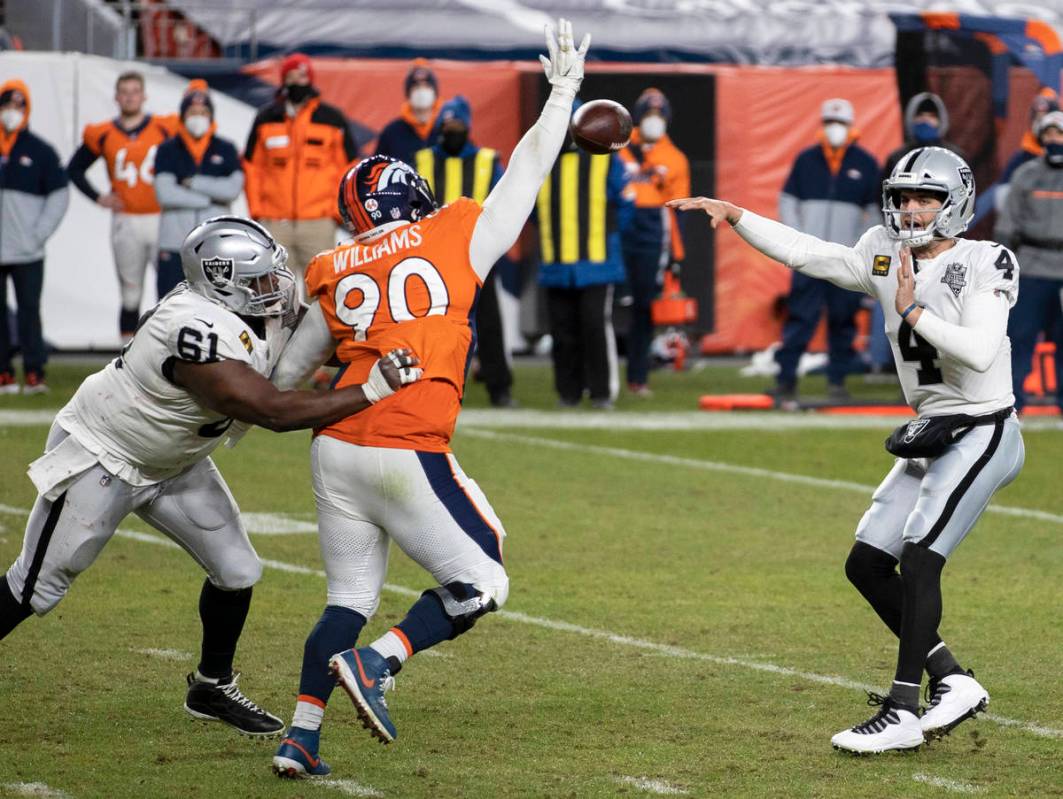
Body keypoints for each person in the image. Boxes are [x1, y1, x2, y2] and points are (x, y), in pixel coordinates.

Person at [269, 18, 590, 778]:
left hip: (335, 447)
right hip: (405, 443)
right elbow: (527, 172)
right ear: (416, 197)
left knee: (346, 593)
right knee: (485, 579)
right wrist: (563, 92)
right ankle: (379, 662)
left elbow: (286, 377)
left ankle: (299, 737)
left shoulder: (335, 264)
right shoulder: (452, 231)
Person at [0, 215, 422, 738]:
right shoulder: (191, 330)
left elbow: (321, 338)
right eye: (262, 280)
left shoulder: (244, 304)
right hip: (104, 455)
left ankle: (211, 685)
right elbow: (271, 410)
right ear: (222, 282)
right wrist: (372, 390)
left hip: (174, 461)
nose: (277, 287)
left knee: (238, 569)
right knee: (34, 589)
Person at [669, 145, 1023, 754]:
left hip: (983, 427)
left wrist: (911, 309)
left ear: (956, 202)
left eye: (926, 198)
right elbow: (812, 253)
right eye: (904, 197)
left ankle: (904, 709)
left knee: (919, 558)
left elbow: (980, 352)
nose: (911, 211)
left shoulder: (985, 259)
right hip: (932, 427)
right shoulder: (882, 253)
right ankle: (955, 681)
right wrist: (736, 216)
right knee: (866, 563)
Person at [772, 98, 880, 406]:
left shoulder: (865, 163)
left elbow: (874, 214)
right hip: (808, 257)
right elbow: (787, 201)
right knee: (799, 318)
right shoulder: (806, 160)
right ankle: (786, 379)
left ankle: (837, 382)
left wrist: (857, 246)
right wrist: (797, 238)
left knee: (843, 320)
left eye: (841, 123)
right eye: (830, 122)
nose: (835, 129)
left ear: (851, 126)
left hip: (845, 260)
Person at [414, 95, 515, 407]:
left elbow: (504, 203)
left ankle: (499, 388)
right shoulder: (422, 160)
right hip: (434, 259)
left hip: (477, 256)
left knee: (489, 325)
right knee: (433, 329)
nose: (452, 129)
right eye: (447, 124)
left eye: (457, 124)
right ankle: (432, 385)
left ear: (468, 126)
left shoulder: (487, 160)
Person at [67, 71, 181, 340]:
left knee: (172, 294)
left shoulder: (166, 127)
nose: (130, 97)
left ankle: (169, 354)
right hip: (126, 222)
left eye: (135, 91)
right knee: (131, 294)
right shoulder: (104, 133)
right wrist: (99, 197)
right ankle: (126, 357)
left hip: (162, 219)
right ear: (117, 97)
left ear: (144, 96)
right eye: (125, 92)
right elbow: (74, 169)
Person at [537, 103, 630, 410]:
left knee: (594, 327)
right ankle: (568, 393)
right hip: (556, 262)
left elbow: (627, 205)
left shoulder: (608, 160)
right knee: (562, 332)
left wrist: (606, 238)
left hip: (597, 263)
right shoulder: (542, 160)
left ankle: (602, 392)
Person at [243, 53, 359, 297]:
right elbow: (252, 168)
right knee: (272, 295)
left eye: (302, 75)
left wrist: (334, 214)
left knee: (321, 295)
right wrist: (258, 211)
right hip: (275, 223)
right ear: (284, 79)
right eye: (292, 75)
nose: (298, 81)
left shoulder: (332, 119)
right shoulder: (266, 118)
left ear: (311, 78)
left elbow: (348, 168)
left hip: (318, 224)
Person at [617, 87, 690, 398]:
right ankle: (596, 374)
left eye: (659, 115)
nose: (654, 121)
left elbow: (679, 210)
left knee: (644, 309)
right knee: (602, 305)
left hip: (651, 236)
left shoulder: (675, 158)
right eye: (649, 114)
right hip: (617, 230)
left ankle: (637, 376)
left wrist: (677, 253)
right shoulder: (618, 146)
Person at [0, 79, 69, 395]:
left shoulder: (40, 151)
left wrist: (37, 235)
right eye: (7, 106)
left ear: (26, 111)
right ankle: (3, 373)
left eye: (18, 106)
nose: (11, 113)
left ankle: (33, 372)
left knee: (29, 310)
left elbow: (59, 196)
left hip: (28, 251)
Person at [995, 110, 1063, 416]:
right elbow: (1007, 226)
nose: (1054, 140)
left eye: (1059, 134)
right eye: (1049, 134)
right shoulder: (1025, 175)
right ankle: (1011, 406)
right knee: (1018, 340)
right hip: (1031, 269)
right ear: (1040, 138)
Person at [154, 84, 243, 297]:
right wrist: (209, 200)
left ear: (211, 116)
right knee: (169, 304)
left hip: (214, 247)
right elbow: (165, 193)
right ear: (183, 115)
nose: (198, 117)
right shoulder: (167, 149)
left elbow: (232, 189)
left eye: (204, 113)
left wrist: (193, 183)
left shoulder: (226, 148)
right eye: (193, 112)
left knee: (215, 306)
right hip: (175, 243)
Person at [994, 89, 1059, 213]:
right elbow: (1002, 198)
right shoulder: (1022, 158)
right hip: (1030, 224)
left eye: (1046, 119)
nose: (1041, 125)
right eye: (1037, 119)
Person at [881, 92, 964, 185]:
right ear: (910, 118)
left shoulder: (954, 157)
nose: (925, 120)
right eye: (920, 115)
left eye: (932, 116)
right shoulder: (898, 158)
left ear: (941, 120)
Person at [375, 60, 441, 165]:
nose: (421, 92)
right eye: (416, 87)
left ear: (434, 93)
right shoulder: (392, 132)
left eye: (426, 87)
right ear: (408, 94)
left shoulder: (446, 131)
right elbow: (377, 168)